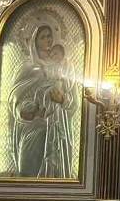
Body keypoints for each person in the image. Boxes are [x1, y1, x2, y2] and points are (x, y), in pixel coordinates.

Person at [8, 24, 77, 179]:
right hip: (32, 126)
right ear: (35, 41)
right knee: (27, 169)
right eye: (43, 37)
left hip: (56, 125)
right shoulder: (27, 68)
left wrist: (62, 99)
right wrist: (25, 110)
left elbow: (74, 103)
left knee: (54, 171)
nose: (48, 40)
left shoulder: (64, 67)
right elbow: (15, 98)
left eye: (49, 36)